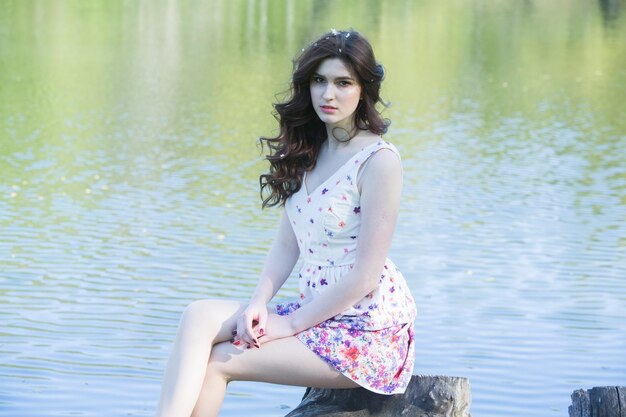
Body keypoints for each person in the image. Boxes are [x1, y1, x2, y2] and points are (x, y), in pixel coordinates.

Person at [156, 29, 417, 417]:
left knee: (219, 362)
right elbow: (286, 244)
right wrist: (259, 303)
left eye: (343, 83)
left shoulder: (379, 161)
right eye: (319, 80)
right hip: (316, 312)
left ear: (365, 88)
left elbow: (366, 276)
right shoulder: (312, 149)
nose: (328, 94)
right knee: (198, 316)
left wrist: (289, 323)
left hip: (365, 331)